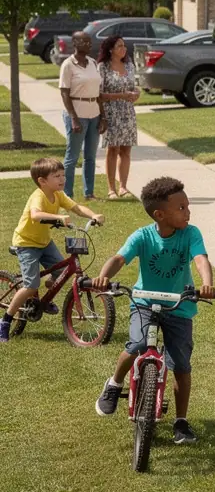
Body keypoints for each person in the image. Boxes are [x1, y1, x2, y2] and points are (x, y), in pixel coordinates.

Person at [92, 177, 215, 446]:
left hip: (179, 305)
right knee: (137, 344)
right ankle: (114, 384)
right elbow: (119, 258)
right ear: (160, 215)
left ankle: (181, 421)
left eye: (187, 206)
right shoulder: (143, 236)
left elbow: (200, 259)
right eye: (181, 208)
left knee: (181, 365)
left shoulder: (191, 234)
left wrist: (206, 284)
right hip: (144, 302)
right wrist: (103, 277)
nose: (188, 212)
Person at [1, 158, 104, 343]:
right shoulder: (38, 196)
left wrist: (93, 215)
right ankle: (6, 321)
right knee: (31, 285)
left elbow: (76, 208)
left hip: (44, 242)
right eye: (57, 176)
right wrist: (58, 217)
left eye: (63, 175)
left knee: (63, 271)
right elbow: (36, 215)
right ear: (42, 181)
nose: (62, 179)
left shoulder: (58, 194)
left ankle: (45, 300)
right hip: (26, 243)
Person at [59, 30, 103, 200]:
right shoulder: (68, 65)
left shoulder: (92, 62)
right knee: (72, 157)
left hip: (94, 114)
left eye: (89, 41)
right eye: (84, 41)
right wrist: (74, 118)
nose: (88, 44)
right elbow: (64, 93)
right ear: (75, 44)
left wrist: (103, 117)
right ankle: (67, 195)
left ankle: (89, 193)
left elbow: (98, 92)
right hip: (77, 114)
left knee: (90, 157)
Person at [97, 34, 140, 200]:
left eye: (124, 45)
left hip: (128, 112)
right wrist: (121, 95)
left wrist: (136, 94)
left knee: (126, 150)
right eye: (119, 46)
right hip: (110, 112)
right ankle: (111, 189)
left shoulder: (129, 66)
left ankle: (123, 187)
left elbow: (133, 87)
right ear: (110, 50)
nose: (124, 49)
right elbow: (99, 94)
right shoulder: (103, 67)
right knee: (113, 149)